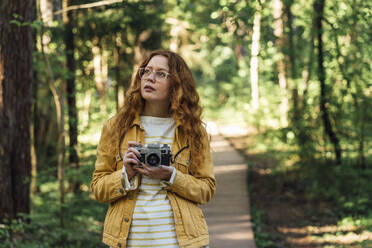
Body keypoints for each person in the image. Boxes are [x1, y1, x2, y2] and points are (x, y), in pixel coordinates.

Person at [90, 50, 216, 248]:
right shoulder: (115, 127)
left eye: (161, 74)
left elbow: (206, 189)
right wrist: (126, 174)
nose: (150, 77)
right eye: (146, 71)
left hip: (180, 242)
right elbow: (98, 189)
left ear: (177, 83)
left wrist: (171, 176)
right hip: (128, 242)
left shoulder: (192, 131)